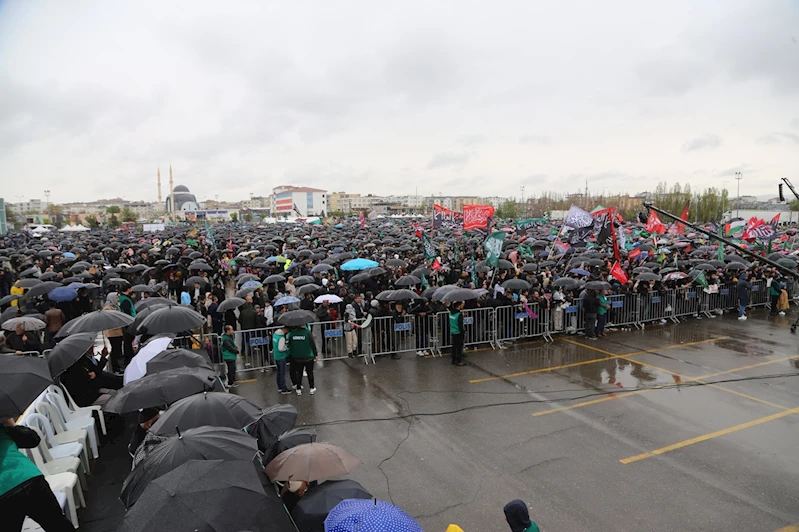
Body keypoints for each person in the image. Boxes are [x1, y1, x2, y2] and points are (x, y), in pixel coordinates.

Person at [0, 418, 74, 532]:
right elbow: (33, 440)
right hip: (29, 478)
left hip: (4, 493)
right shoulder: (3, 428)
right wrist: (11, 425)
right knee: (58, 525)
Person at [286, 325, 317, 396]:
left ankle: (298, 389)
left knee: (299, 373)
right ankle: (311, 388)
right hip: (308, 356)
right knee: (310, 372)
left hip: (297, 357)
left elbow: (289, 345)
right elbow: (312, 344)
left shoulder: (292, 334)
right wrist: (315, 354)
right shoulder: (308, 333)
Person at [118, 286, 136, 366]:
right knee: (128, 342)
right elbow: (127, 312)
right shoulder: (126, 300)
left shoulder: (122, 298)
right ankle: (128, 359)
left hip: (125, 323)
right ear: (128, 289)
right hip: (129, 323)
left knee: (127, 342)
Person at [272, 325, 291, 394]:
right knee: (283, 373)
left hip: (276, 356)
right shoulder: (281, 338)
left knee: (279, 372)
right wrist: (286, 348)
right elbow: (281, 348)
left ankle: (280, 387)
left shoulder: (275, 335)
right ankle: (283, 388)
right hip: (281, 356)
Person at [449, 301, 466, 366]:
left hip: (453, 331)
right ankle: (459, 360)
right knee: (459, 347)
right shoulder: (459, 315)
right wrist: (463, 332)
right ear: (458, 306)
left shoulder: (451, 313)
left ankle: (453, 360)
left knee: (454, 346)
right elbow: (460, 325)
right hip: (458, 332)